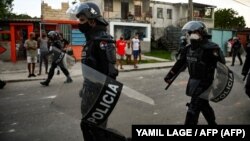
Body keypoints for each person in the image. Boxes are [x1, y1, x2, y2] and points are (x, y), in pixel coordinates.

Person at [164, 21, 226, 125]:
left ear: (202, 33)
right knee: (203, 105)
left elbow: (222, 67)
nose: (191, 34)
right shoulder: (188, 49)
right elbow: (180, 63)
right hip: (194, 82)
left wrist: (219, 84)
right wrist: (169, 75)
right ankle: (213, 124)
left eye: (194, 32)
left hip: (205, 83)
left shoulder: (211, 48)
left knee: (193, 108)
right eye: (190, 32)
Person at [74, 2, 119, 141]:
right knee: (88, 128)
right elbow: (91, 69)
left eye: (82, 20)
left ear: (92, 21)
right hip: (89, 91)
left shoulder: (102, 40)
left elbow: (111, 73)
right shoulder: (91, 40)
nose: (79, 23)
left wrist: (101, 98)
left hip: (98, 94)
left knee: (96, 131)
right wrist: (85, 87)